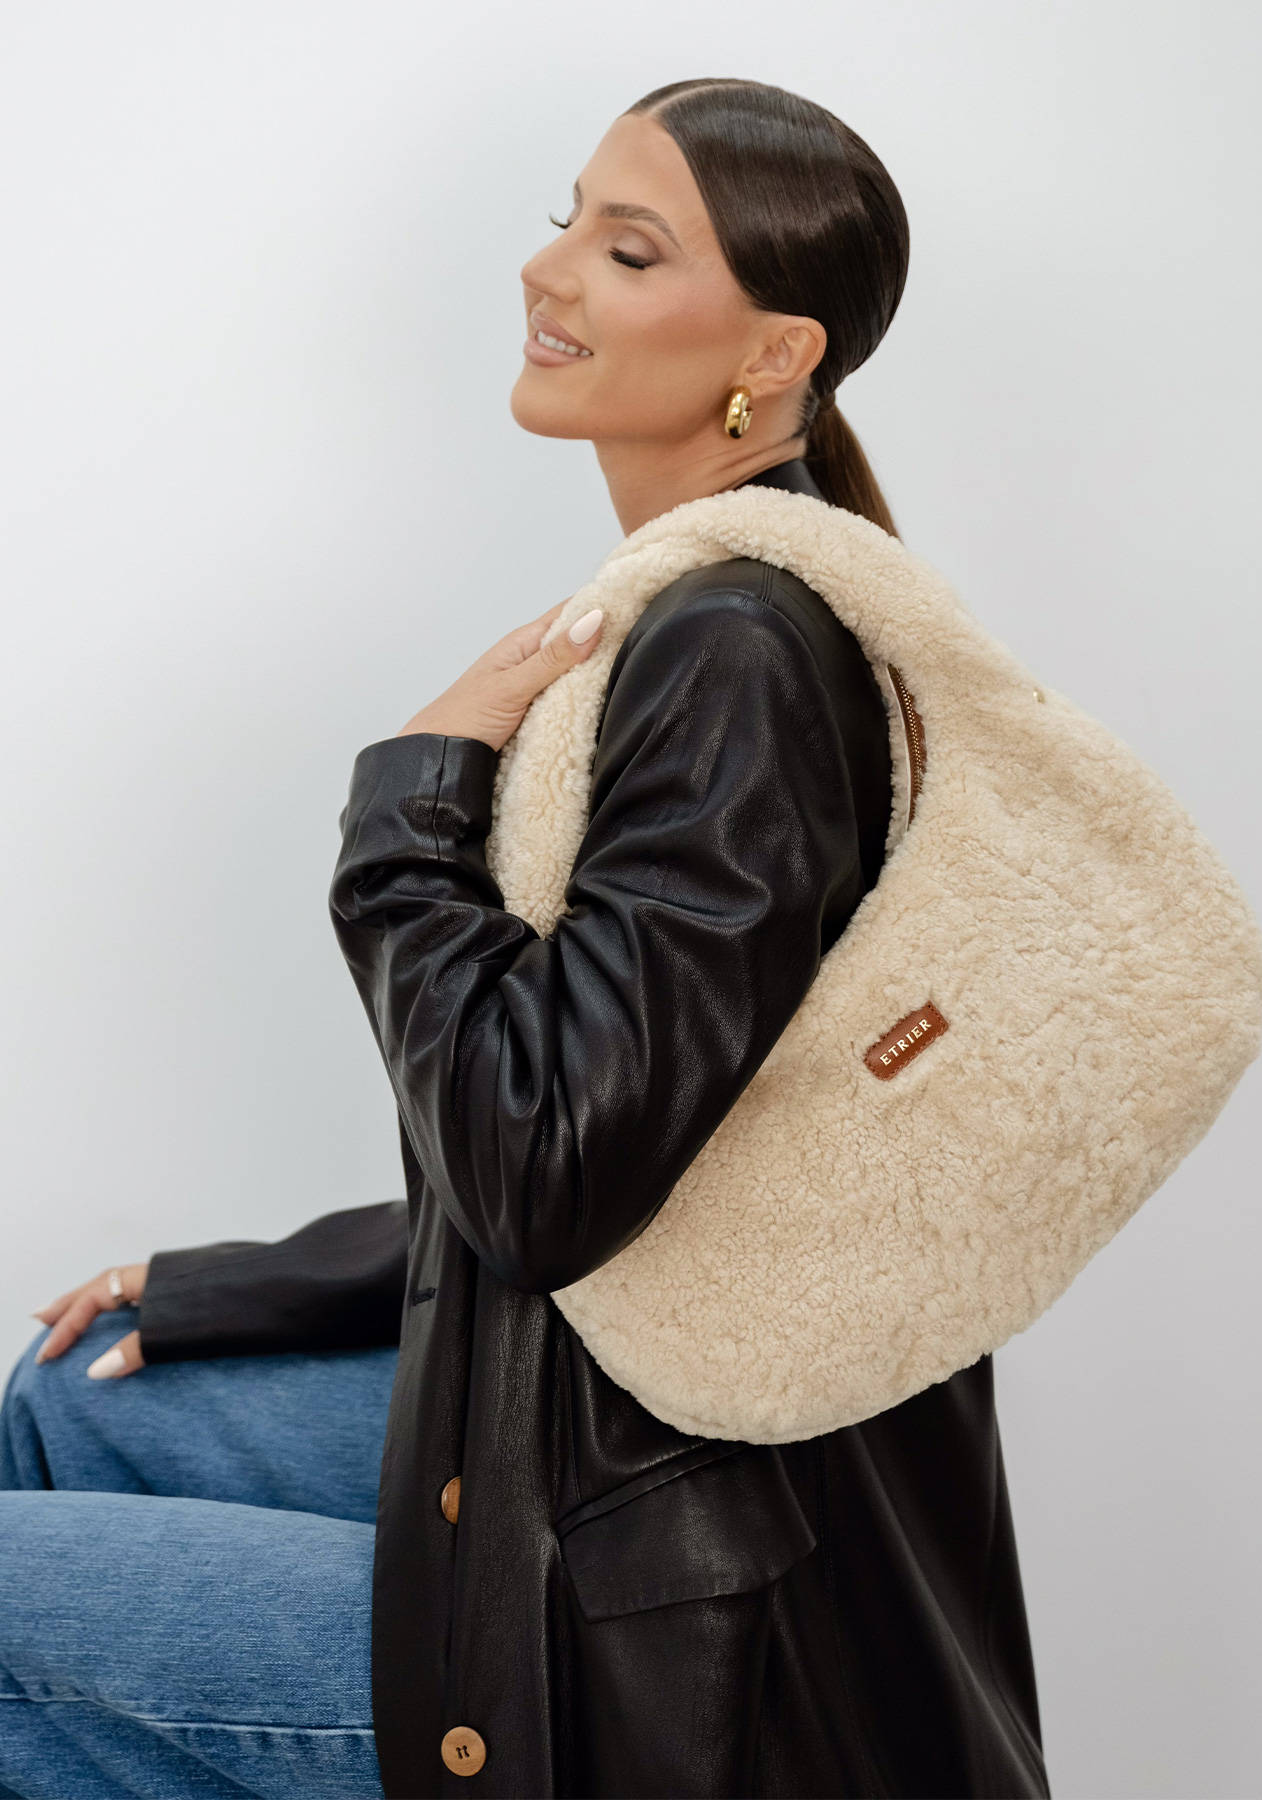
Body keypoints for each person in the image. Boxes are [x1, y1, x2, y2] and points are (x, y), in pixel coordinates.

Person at [0, 78, 1051, 1799]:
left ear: (772, 355)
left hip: (659, 1603)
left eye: (626, 251)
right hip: (631, 1438)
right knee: (68, 1399)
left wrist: (408, 814)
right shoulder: (737, 603)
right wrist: (258, 1285)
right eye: (567, 219)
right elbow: (656, 1129)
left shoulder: (732, 648)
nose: (548, 270)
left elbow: (550, 1170)